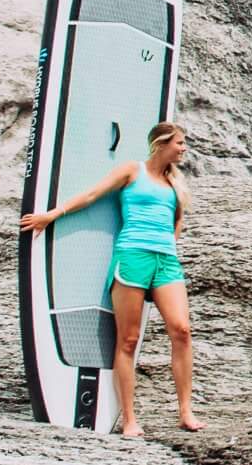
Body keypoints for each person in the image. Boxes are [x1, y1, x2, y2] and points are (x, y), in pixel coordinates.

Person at [20, 120, 202, 437]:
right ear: (161, 143)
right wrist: (52, 215)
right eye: (180, 143)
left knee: (182, 330)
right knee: (128, 340)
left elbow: (177, 220)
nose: (184, 148)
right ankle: (129, 419)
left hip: (165, 262)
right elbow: (93, 194)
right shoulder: (133, 171)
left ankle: (185, 410)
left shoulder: (175, 183)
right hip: (132, 258)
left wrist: (170, 246)